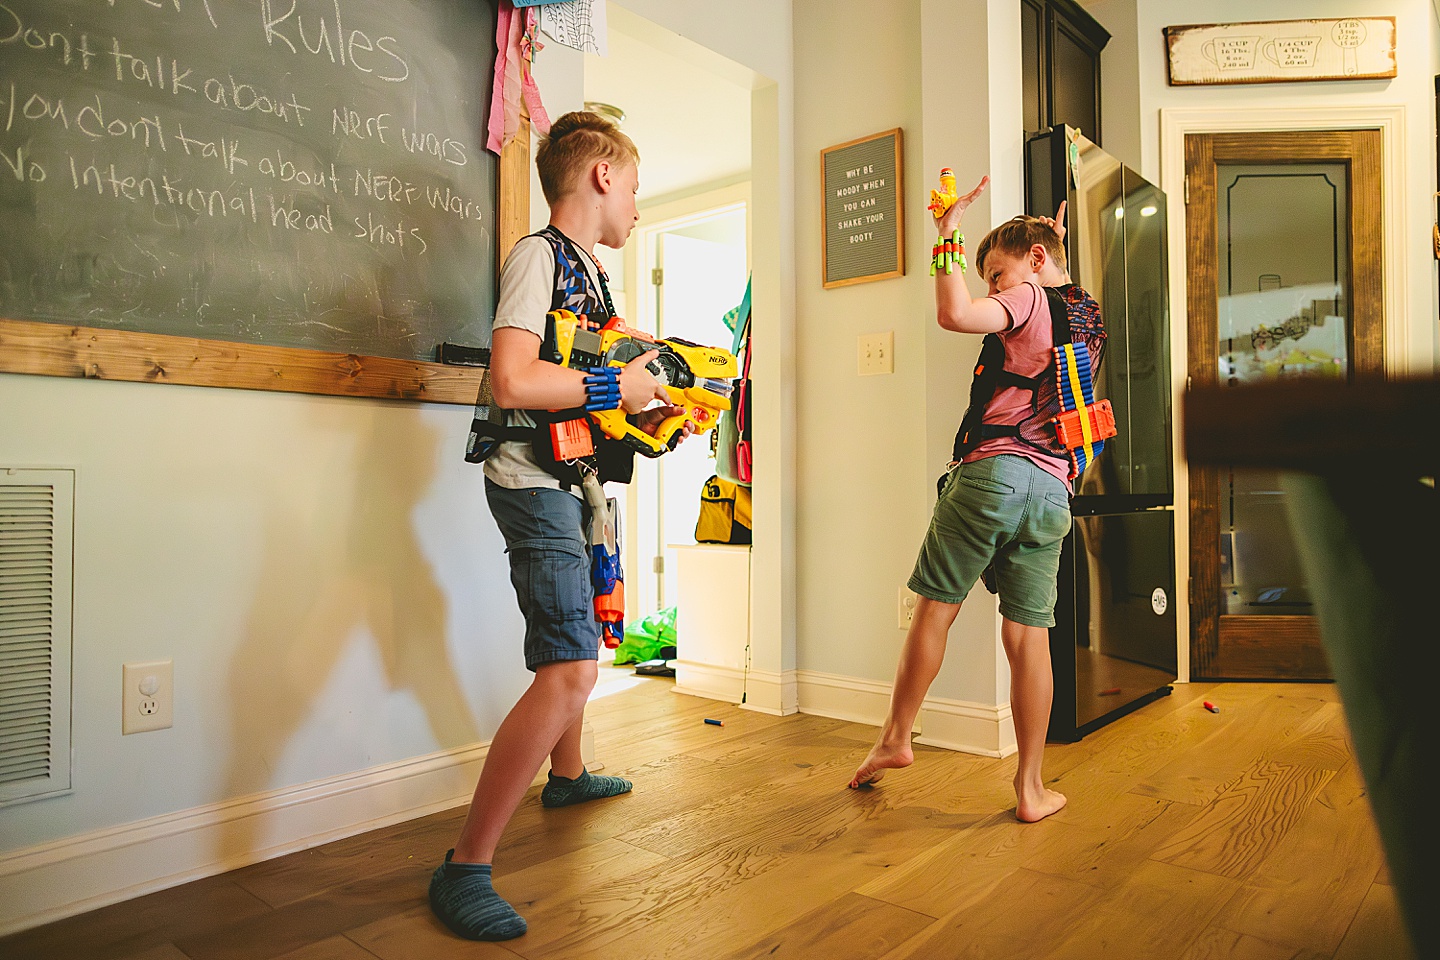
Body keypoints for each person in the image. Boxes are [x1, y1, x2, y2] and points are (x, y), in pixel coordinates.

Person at [429, 111, 688, 941]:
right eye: (637, 190)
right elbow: (512, 379)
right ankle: (465, 863)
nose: (638, 209)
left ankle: (567, 774)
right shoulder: (537, 256)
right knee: (571, 664)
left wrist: (653, 408)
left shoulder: (594, 278)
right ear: (604, 176)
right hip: (531, 480)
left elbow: (583, 378)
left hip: (572, 479)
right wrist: (616, 392)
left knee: (583, 633)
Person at [849, 176, 1104, 825]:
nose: (994, 286)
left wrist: (946, 237)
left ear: (1036, 263)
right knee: (1029, 638)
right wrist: (1044, 239)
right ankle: (1031, 787)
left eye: (998, 272)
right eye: (990, 277)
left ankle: (896, 738)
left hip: (993, 476)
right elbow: (1042, 292)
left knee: (935, 612)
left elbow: (955, 315)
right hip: (1052, 492)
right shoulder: (1083, 313)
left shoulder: (1023, 297)